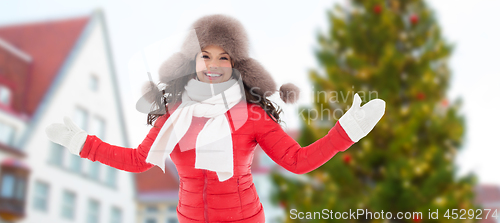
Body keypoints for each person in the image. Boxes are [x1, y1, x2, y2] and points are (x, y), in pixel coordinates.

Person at [45, 14, 386, 223]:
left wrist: (346, 131)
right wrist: (82, 143)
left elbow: (297, 162)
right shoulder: (175, 115)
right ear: (191, 61)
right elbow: (138, 161)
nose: (213, 64)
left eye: (224, 57)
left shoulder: (251, 115)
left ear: (236, 66)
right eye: (205, 55)